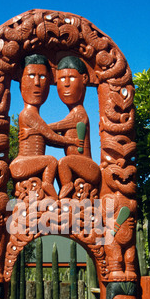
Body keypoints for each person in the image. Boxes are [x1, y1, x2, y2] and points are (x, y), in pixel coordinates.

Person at [10, 54, 79, 200]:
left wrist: (38, 131)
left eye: (42, 77)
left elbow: (46, 134)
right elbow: (50, 136)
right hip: (21, 165)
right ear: (20, 82)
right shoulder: (28, 114)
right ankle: (49, 188)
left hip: (29, 166)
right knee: (51, 161)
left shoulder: (35, 118)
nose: (36, 83)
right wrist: (71, 142)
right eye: (30, 76)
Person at [49, 56, 101, 199]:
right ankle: (66, 190)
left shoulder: (79, 114)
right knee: (58, 166)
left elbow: (57, 127)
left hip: (89, 168)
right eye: (61, 79)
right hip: (76, 166)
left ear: (84, 78)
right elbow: (57, 139)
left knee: (64, 162)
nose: (66, 84)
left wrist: (37, 127)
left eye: (71, 77)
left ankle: (67, 186)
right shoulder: (72, 114)